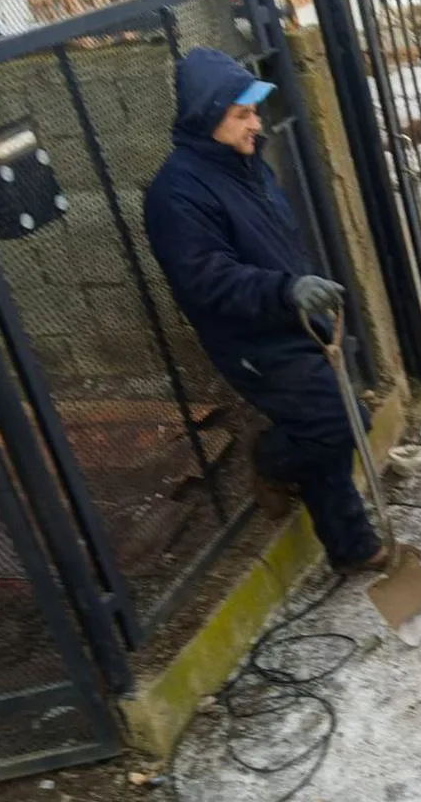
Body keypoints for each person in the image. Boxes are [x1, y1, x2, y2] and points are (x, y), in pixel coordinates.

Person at [144, 47, 387, 574]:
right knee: (337, 424)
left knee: (325, 428)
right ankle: (269, 459)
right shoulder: (176, 194)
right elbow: (205, 278)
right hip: (252, 340)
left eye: (255, 111)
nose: (257, 124)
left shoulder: (247, 165)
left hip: (294, 321)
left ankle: (354, 548)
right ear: (210, 117)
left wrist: (299, 292)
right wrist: (286, 291)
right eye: (243, 114)